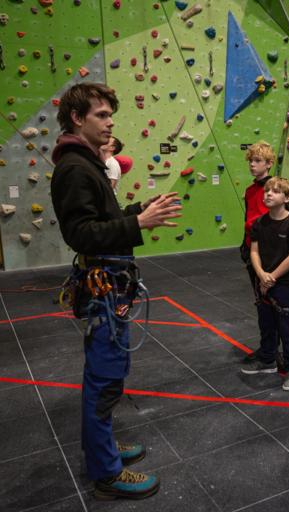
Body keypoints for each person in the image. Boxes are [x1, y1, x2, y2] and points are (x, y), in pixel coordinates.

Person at [50, 82, 181, 501]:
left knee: (108, 376)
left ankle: (103, 447)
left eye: (110, 115)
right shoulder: (75, 168)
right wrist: (138, 225)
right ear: (77, 117)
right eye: (102, 115)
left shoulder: (87, 163)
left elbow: (102, 219)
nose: (110, 123)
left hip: (112, 286)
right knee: (104, 380)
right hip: (104, 288)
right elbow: (82, 234)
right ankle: (106, 471)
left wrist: (137, 211)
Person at [241, 177, 289, 391]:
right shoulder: (260, 223)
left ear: (287, 198)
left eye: (275, 191)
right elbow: (254, 250)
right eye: (267, 190)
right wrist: (261, 274)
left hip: (285, 283)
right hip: (264, 281)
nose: (268, 194)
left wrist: (271, 277)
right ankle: (268, 359)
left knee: (288, 327)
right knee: (266, 323)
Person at [239, 141, 282, 368]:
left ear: (269, 163)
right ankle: (267, 346)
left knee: (273, 302)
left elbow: (280, 222)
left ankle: (275, 349)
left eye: (258, 161)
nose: (252, 165)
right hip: (252, 250)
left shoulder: (276, 189)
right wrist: (244, 245)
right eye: (251, 161)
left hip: (268, 254)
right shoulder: (250, 190)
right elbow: (249, 218)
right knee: (261, 302)